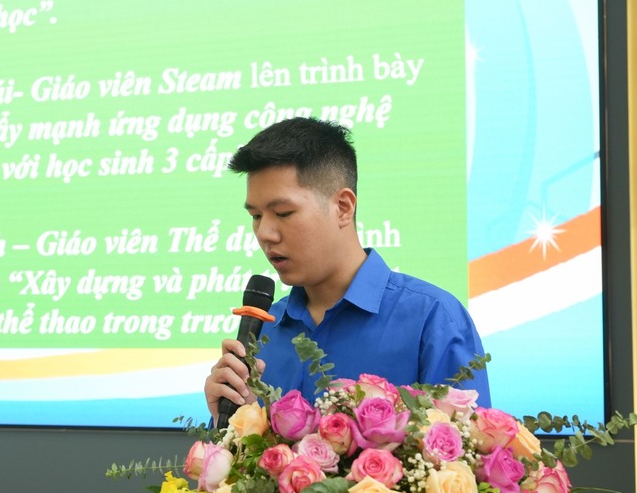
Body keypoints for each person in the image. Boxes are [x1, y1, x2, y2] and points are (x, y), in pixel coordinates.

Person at [204, 117, 491, 423]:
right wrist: (236, 419)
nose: (265, 233)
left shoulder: (432, 319)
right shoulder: (264, 332)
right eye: (256, 216)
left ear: (343, 207)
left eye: (283, 213)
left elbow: (470, 448)